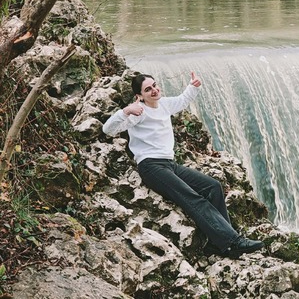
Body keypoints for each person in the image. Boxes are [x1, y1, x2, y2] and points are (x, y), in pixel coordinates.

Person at [102, 71, 263, 259]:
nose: (154, 90)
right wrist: (126, 111)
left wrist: (193, 86)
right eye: (148, 89)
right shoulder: (139, 112)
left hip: (169, 164)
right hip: (151, 166)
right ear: (139, 96)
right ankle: (233, 242)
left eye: (155, 85)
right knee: (193, 198)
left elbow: (182, 100)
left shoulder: (164, 104)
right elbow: (108, 130)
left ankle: (217, 243)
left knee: (213, 187)